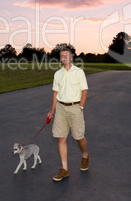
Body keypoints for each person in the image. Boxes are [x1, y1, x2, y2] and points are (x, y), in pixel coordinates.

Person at [47, 47, 89, 181]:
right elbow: (55, 93)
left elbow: (84, 90)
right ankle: (64, 169)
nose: (64, 57)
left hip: (75, 107)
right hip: (60, 108)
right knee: (61, 138)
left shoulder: (79, 72)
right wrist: (52, 109)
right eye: (62, 55)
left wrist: (81, 107)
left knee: (78, 137)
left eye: (66, 55)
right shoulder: (57, 74)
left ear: (71, 57)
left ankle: (85, 155)